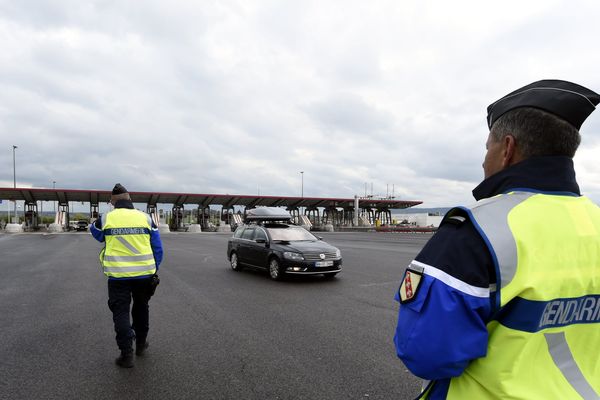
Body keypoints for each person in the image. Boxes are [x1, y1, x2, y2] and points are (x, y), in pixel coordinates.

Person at [394, 80, 600, 399]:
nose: (483, 160)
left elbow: (426, 352)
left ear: (507, 149)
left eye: (486, 147)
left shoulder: (476, 229)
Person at [91, 183, 163, 368]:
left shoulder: (106, 218)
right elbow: (158, 248)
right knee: (141, 308)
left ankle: (126, 354)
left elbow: (96, 234)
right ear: (130, 199)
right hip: (144, 275)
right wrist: (154, 268)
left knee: (121, 312)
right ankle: (140, 345)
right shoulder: (146, 218)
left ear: (112, 202)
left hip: (118, 277)